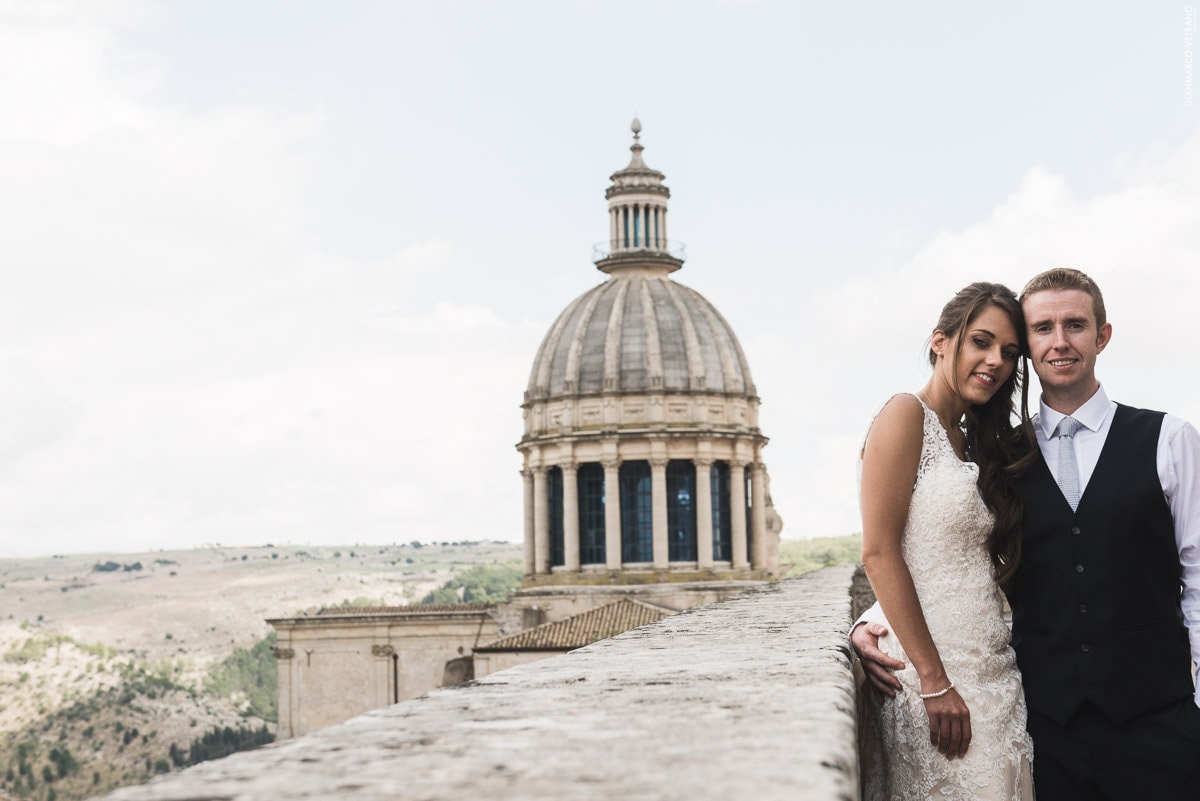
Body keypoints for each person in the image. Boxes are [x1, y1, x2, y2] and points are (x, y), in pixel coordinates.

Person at [854, 267, 1200, 800]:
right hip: (1046, 721)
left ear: (1102, 336)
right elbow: (923, 547)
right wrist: (871, 622)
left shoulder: (1169, 439)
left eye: (1075, 325)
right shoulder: (1003, 454)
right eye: (1042, 330)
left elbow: (1198, 577)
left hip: (1156, 721)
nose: (1059, 342)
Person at [857, 282, 1036, 800]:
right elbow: (879, 549)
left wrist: (867, 618)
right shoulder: (903, 413)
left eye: (1009, 352)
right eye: (980, 341)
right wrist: (934, 681)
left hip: (993, 670)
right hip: (934, 679)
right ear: (940, 340)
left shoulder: (970, 435)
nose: (995, 361)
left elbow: (937, 552)